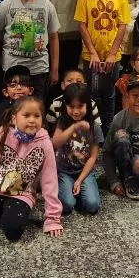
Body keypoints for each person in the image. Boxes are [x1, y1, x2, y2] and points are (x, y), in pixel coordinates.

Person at [0, 96, 63, 241]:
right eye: (26, 115)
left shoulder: (45, 143)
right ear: (14, 119)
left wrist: (52, 218)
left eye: (37, 116)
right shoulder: (0, 133)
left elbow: (50, 181)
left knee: (13, 231)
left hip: (21, 194)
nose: (32, 120)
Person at [74, 0, 130, 131]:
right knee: (91, 95)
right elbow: (82, 26)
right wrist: (93, 53)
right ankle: (92, 133)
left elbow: (122, 27)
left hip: (113, 57)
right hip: (91, 57)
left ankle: (107, 133)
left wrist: (112, 54)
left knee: (109, 96)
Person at [0, 0, 60, 103]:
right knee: (13, 109)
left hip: (39, 68)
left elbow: (54, 38)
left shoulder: (47, 5)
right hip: (12, 67)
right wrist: (1, 59)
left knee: (37, 107)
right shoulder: (6, 5)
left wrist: (54, 69)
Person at [52, 83, 102, 215]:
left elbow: (92, 157)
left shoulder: (95, 127)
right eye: (71, 106)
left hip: (84, 171)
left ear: (87, 105)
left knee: (92, 205)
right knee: (67, 205)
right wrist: (74, 127)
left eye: (80, 106)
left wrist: (80, 180)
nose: (75, 111)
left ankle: (78, 188)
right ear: (65, 106)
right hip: (64, 171)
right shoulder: (63, 122)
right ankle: (68, 188)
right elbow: (55, 143)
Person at [46, 68, 101, 132]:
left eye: (79, 81)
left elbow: (97, 128)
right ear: (63, 85)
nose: (74, 84)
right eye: (69, 80)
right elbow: (50, 128)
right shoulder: (56, 103)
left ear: (85, 85)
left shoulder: (91, 103)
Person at [0, 65, 35, 134]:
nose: (18, 87)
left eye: (23, 84)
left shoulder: (35, 107)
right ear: (6, 92)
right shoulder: (2, 109)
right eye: (13, 85)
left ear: (30, 90)